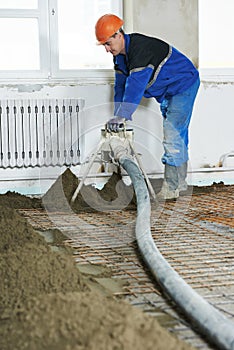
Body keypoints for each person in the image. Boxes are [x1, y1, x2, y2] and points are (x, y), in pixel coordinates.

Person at [95, 14, 200, 200]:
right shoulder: (120, 57)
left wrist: (123, 115)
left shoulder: (140, 50)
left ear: (119, 35)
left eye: (108, 43)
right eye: (103, 45)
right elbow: (120, 86)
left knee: (173, 134)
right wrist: (117, 116)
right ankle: (181, 183)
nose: (106, 49)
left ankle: (171, 187)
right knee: (178, 134)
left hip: (183, 85)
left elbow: (135, 86)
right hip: (168, 90)